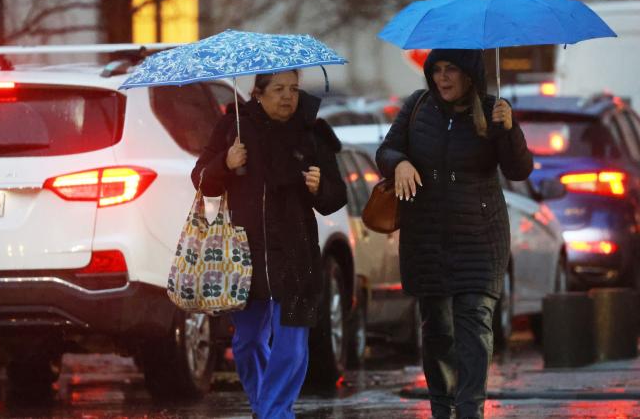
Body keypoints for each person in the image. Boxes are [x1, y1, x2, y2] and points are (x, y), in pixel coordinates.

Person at [375, 49, 533, 419]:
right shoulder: (418, 106)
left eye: (452, 71)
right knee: (438, 330)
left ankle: (470, 411)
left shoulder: (493, 110)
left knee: (475, 324)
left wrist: (509, 129)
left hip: (480, 235)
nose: (443, 78)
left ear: (471, 75)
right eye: (438, 70)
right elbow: (387, 150)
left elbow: (519, 169)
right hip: (427, 234)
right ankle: (442, 409)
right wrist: (399, 163)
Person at [191, 70, 347, 419]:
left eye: (293, 89)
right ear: (257, 93)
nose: (288, 97)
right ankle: (265, 406)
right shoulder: (233, 128)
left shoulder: (312, 133)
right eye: (278, 89)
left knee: (291, 347)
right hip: (246, 256)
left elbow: (336, 198)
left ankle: (276, 412)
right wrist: (225, 164)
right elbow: (201, 180)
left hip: (295, 255)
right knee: (246, 343)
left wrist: (319, 187)